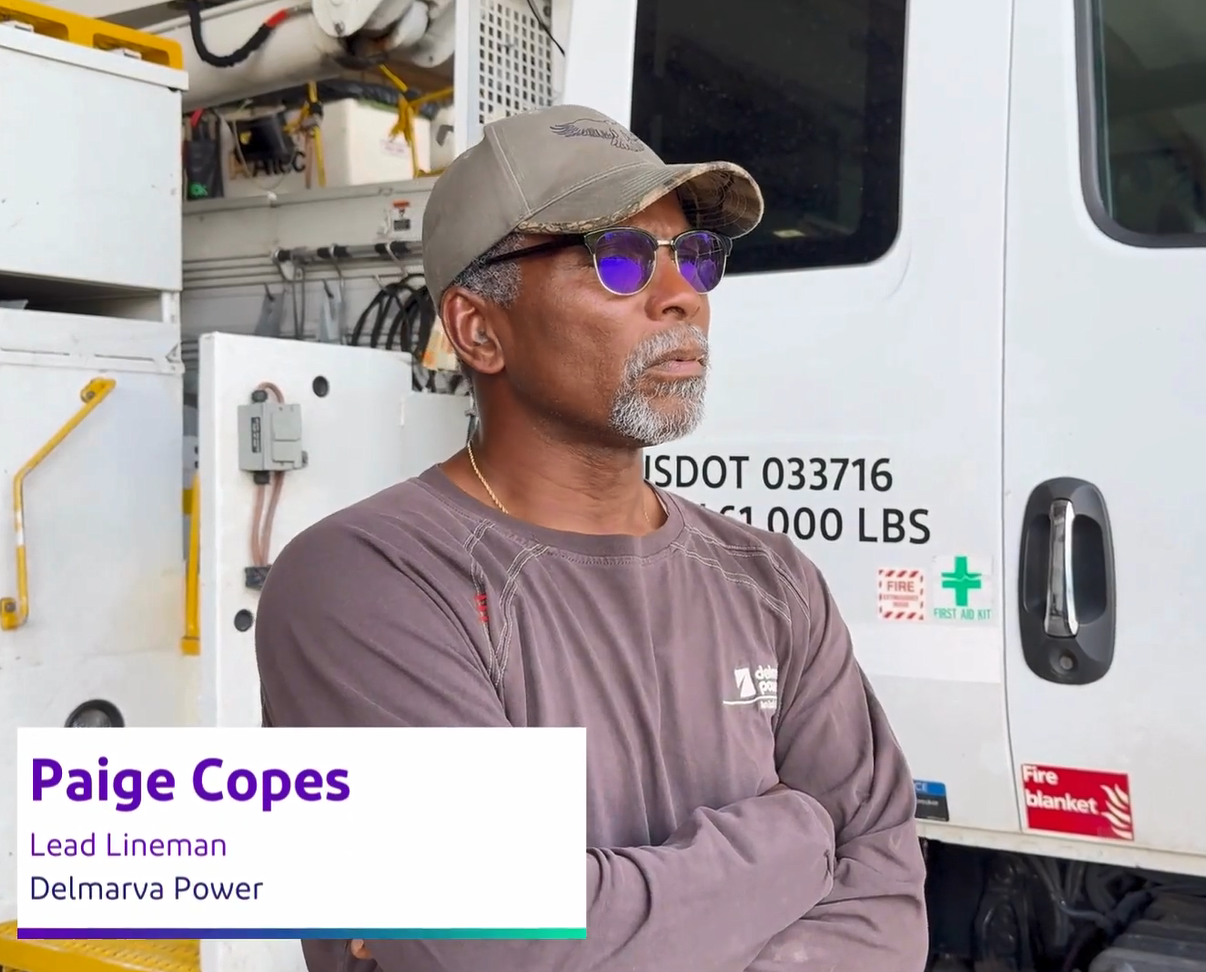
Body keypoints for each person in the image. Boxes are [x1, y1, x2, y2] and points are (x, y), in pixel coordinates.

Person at [252, 104, 930, 971]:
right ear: (478, 329)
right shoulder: (369, 581)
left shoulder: (771, 578)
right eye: (619, 258)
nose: (682, 295)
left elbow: (884, 897)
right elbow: (500, 945)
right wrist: (798, 838)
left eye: (693, 255)